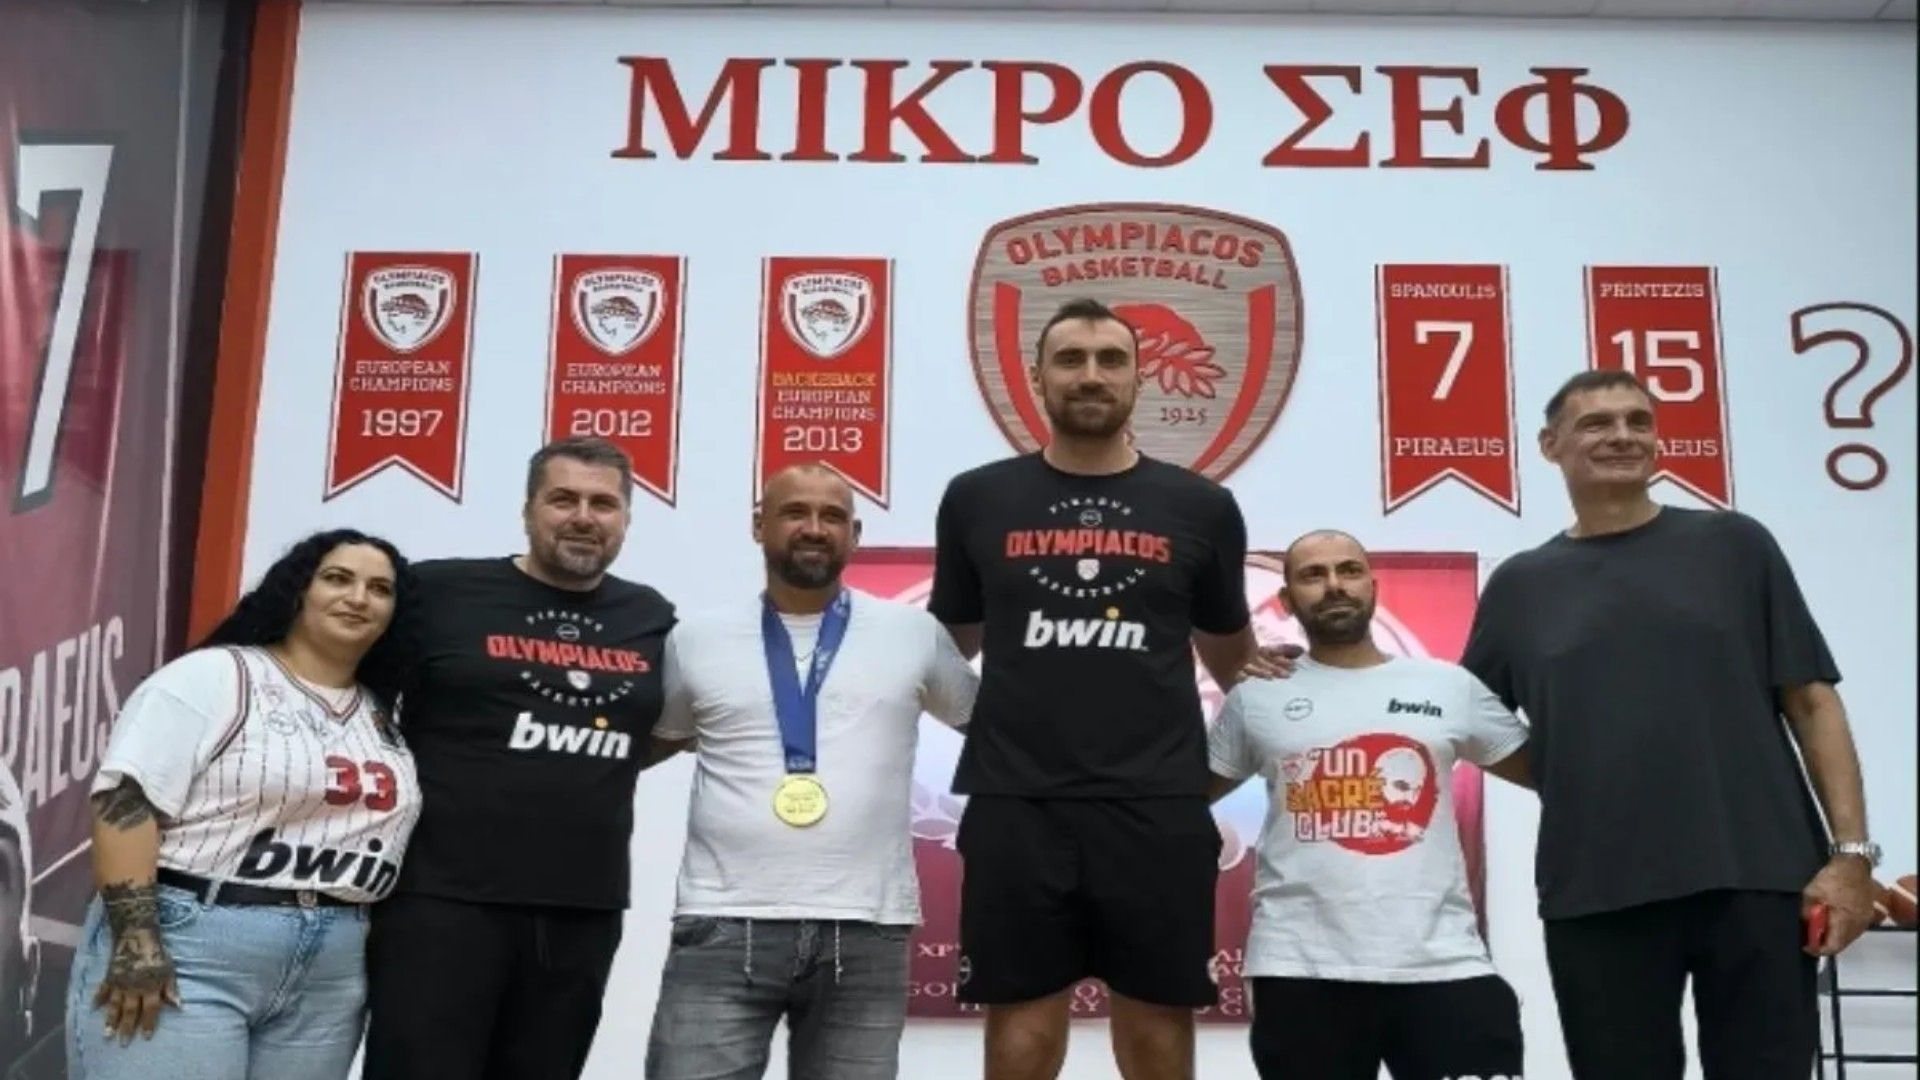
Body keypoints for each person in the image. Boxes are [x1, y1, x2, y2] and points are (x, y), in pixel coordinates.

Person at [1459, 369, 1879, 1079]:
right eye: (1597, 423)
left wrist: (1851, 857)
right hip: (1597, 886)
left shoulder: (1736, 545)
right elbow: (1468, 719)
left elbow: (1812, 702)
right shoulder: (1520, 585)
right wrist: (1566, 772)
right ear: (1550, 445)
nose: (1622, 436)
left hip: (1758, 875)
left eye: (1639, 421)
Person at [928, 297, 1281, 1080]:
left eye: (1111, 359)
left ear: (1138, 377)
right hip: (1018, 804)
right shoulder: (977, 498)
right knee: (1021, 1029)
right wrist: (996, 728)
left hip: (1156, 805)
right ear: (1037, 377)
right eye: (1071, 359)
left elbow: (1235, 663)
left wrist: (1311, 697)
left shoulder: (1201, 506)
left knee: (1156, 1030)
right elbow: (941, 653)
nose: (1091, 375)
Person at [642, 462, 978, 1080]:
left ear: (854, 534)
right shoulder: (696, 639)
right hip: (723, 924)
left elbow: (996, 732)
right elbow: (652, 743)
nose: (814, 528)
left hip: (868, 931)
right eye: (795, 512)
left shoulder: (914, 634)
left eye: (832, 516)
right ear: (759, 525)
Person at [362, 436, 678, 1080]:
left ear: (625, 519)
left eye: (603, 504)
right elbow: (351, 696)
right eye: (563, 499)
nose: (583, 517)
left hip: (581, 907)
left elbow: (671, 726)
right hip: (440, 900)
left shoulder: (648, 615)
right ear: (528, 509)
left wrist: (591, 764)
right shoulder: (438, 591)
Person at [65, 528, 424, 1080]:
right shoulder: (212, 675)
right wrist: (137, 939)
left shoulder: (384, 713)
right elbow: (126, 801)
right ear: (297, 591)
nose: (359, 598)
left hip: (332, 963)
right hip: (194, 939)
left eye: (380, 589)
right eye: (337, 579)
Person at [1208, 529, 1532, 1080]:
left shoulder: (1447, 686)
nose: (1335, 585)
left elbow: (1554, 777)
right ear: (1286, 600)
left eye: (1350, 570)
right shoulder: (1257, 697)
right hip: (1301, 971)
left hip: (1444, 964)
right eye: (1313, 575)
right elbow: (1179, 797)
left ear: (1373, 587)